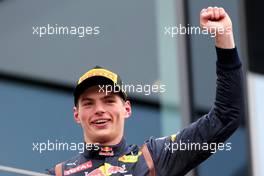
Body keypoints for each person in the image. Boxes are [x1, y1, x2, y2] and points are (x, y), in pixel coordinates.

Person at [47, 6, 245, 176]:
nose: (99, 109)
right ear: (76, 115)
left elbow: (225, 117)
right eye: (88, 103)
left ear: (127, 109)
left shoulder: (153, 157)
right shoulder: (59, 173)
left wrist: (224, 36)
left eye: (108, 100)